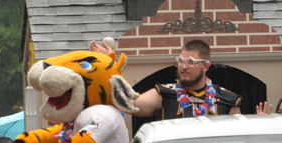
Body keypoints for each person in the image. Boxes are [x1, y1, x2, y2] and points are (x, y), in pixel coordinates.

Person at [92, 38, 241, 118]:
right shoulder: (165, 93)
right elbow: (126, 103)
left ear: (206, 66)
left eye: (190, 62)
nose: (183, 66)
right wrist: (108, 66)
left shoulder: (228, 100)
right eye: (181, 61)